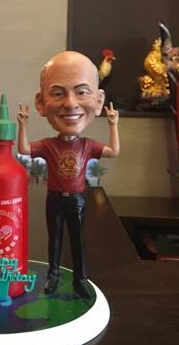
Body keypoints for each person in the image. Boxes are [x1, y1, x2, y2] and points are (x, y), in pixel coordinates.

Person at [17, 51, 120, 298]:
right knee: (54, 239)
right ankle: (52, 276)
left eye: (82, 92)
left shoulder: (87, 145)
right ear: (41, 103)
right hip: (54, 198)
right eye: (57, 93)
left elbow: (114, 151)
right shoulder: (48, 145)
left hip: (77, 200)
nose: (71, 103)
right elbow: (24, 149)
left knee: (77, 241)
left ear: (99, 100)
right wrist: (23, 126)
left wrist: (113, 125)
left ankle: (80, 279)